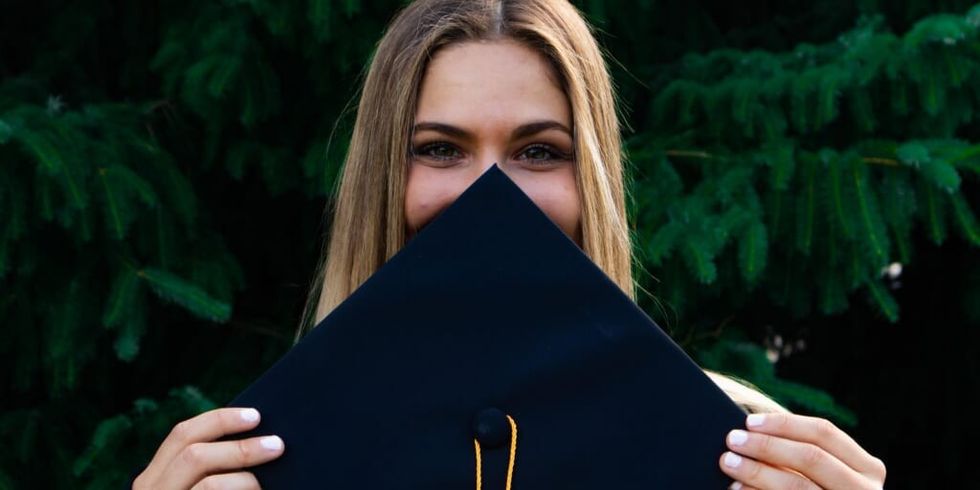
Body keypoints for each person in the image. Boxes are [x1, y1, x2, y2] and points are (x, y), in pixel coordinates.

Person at [132, 1, 888, 488]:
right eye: (438, 149)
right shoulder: (256, 464)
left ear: (591, 179)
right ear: (379, 181)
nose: (488, 198)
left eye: (538, 152)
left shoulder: (736, 458)